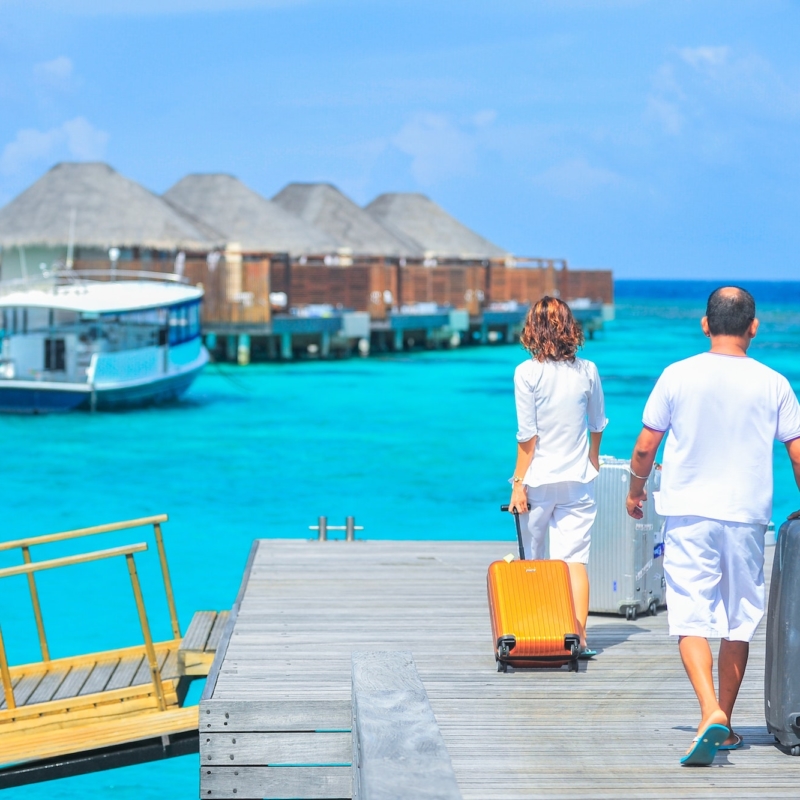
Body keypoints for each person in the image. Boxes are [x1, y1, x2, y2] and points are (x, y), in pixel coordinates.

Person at [626, 286, 800, 765]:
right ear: (753, 327)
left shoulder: (677, 375)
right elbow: (797, 452)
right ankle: (722, 715)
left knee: (691, 614)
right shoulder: (775, 383)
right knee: (739, 617)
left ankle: (709, 713)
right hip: (747, 517)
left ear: (705, 324)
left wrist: (636, 490)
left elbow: (645, 447)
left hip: (688, 513)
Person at [509, 296, 607, 656]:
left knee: (531, 562)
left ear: (532, 329)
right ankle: (578, 638)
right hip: (578, 480)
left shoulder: (527, 372)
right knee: (575, 561)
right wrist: (592, 458)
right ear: (570, 327)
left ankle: (537, 633)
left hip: (538, 481)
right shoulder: (588, 370)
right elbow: (597, 423)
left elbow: (527, 437)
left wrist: (517, 484)